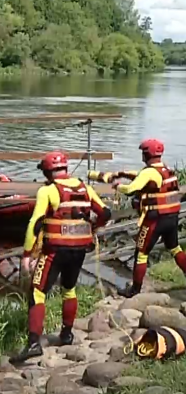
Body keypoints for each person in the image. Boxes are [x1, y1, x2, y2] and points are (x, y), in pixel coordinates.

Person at [12, 151, 111, 363]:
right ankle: (67, 334)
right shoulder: (85, 188)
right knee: (69, 289)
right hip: (78, 250)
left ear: (48, 172)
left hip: (54, 250)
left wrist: (27, 254)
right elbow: (105, 213)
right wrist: (94, 227)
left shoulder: (47, 191)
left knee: (37, 292)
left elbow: (36, 223)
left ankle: (34, 344)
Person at [105, 138, 186, 297]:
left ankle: (135, 290)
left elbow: (130, 189)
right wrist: (125, 173)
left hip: (155, 219)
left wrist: (117, 186)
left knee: (141, 253)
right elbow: (150, 181)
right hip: (171, 217)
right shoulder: (166, 169)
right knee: (175, 248)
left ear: (146, 154)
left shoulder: (148, 172)